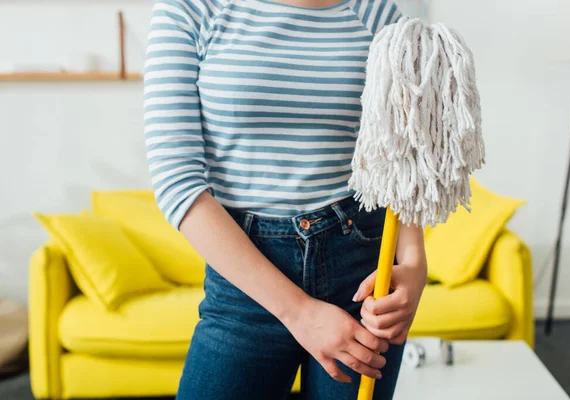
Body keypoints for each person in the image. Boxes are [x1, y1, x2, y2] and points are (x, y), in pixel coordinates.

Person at [143, 0, 427, 398]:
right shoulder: (192, 9)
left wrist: (414, 265)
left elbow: (403, 155)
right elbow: (178, 181)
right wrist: (300, 312)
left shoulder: (378, 15)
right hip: (245, 285)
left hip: (359, 277)